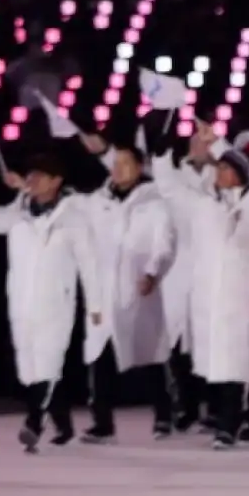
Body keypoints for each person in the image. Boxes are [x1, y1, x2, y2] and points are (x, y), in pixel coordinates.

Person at [0, 154, 107, 452]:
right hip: (22, 301)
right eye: (30, 175)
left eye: (39, 176)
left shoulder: (73, 218)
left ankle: (34, 421)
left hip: (55, 303)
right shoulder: (18, 212)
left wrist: (96, 306)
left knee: (48, 360)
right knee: (32, 369)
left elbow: (89, 264)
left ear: (56, 181)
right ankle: (64, 425)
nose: (31, 180)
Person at [150, 129, 249, 449]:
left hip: (242, 296)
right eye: (218, 168)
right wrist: (160, 155)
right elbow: (168, 188)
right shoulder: (201, 204)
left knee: (236, 360)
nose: (219, 172)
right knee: (214, 364)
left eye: (226, 168)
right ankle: (243, 412)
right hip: (209, 296)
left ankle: (228, 424)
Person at [79, 140, 177, 442]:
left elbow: (165, 242)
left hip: (137, 290)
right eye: (115, 163)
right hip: (103, 293)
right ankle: (102, 422)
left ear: (139, 167)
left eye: (125, 163)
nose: (118, 169)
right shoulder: (98, 202)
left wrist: (152, 272)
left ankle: (163, 414)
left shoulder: (155, 202)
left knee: (148, 356)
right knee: (100, 357)